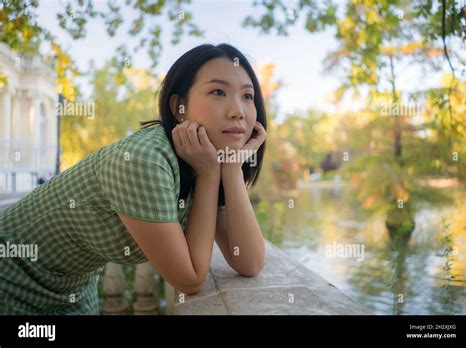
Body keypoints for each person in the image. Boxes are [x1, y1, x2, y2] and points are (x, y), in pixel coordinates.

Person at [0, 43, 267, 314]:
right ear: (179, 108)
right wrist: (210, 175)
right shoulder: (144, 159)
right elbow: (191, 279)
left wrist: (232, 169)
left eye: (248, 96)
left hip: (74, 290)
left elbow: (249, 262)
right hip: (11, 278)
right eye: (218, 92)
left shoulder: (207, 157)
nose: (239, 111)